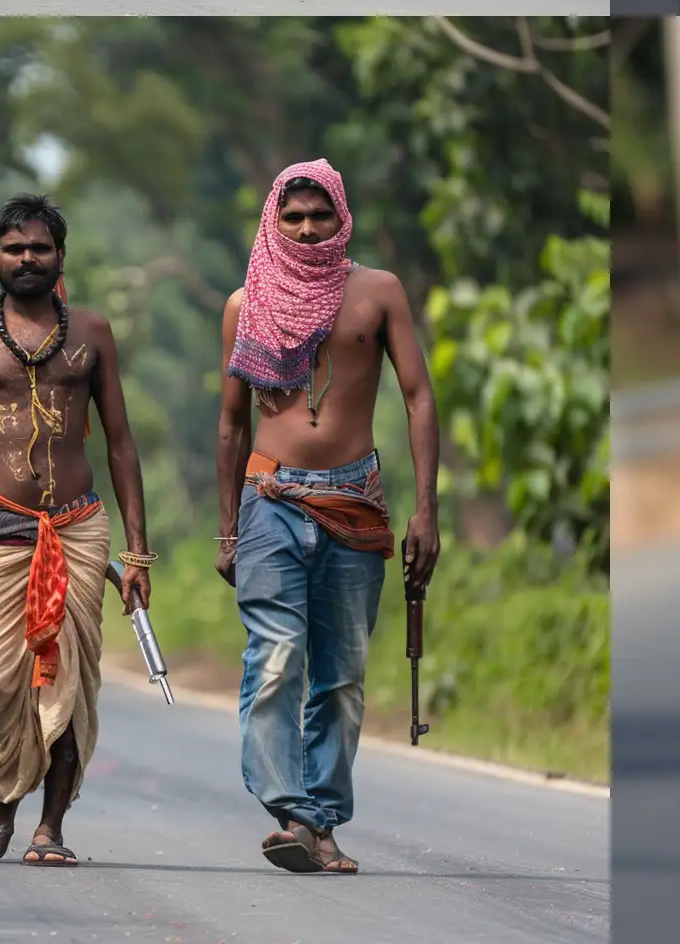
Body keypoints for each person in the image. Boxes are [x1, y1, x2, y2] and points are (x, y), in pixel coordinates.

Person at [215, 162, 440, 876]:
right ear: (272, 222)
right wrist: (229, 529)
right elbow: (229, 426)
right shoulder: (244, 304)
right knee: (277, 654)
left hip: (353, 501)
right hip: (270, 498)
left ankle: (322, 817)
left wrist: (425, 511)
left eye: (320, 215)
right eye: (294, 217)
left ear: (341, 217)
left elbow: (419, 398)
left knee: (340, 675)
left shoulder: (377, 293)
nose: (308, 228)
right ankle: (292, 813)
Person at [0, 195, 151, 868]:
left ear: (60, 256)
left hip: (77, 526)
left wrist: (137, 551)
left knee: (67, 682)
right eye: (15, 249)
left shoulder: (92, 331)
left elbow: (121, 445)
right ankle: (1, 799)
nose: (28, 259)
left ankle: (47, 827)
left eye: (41, 248)